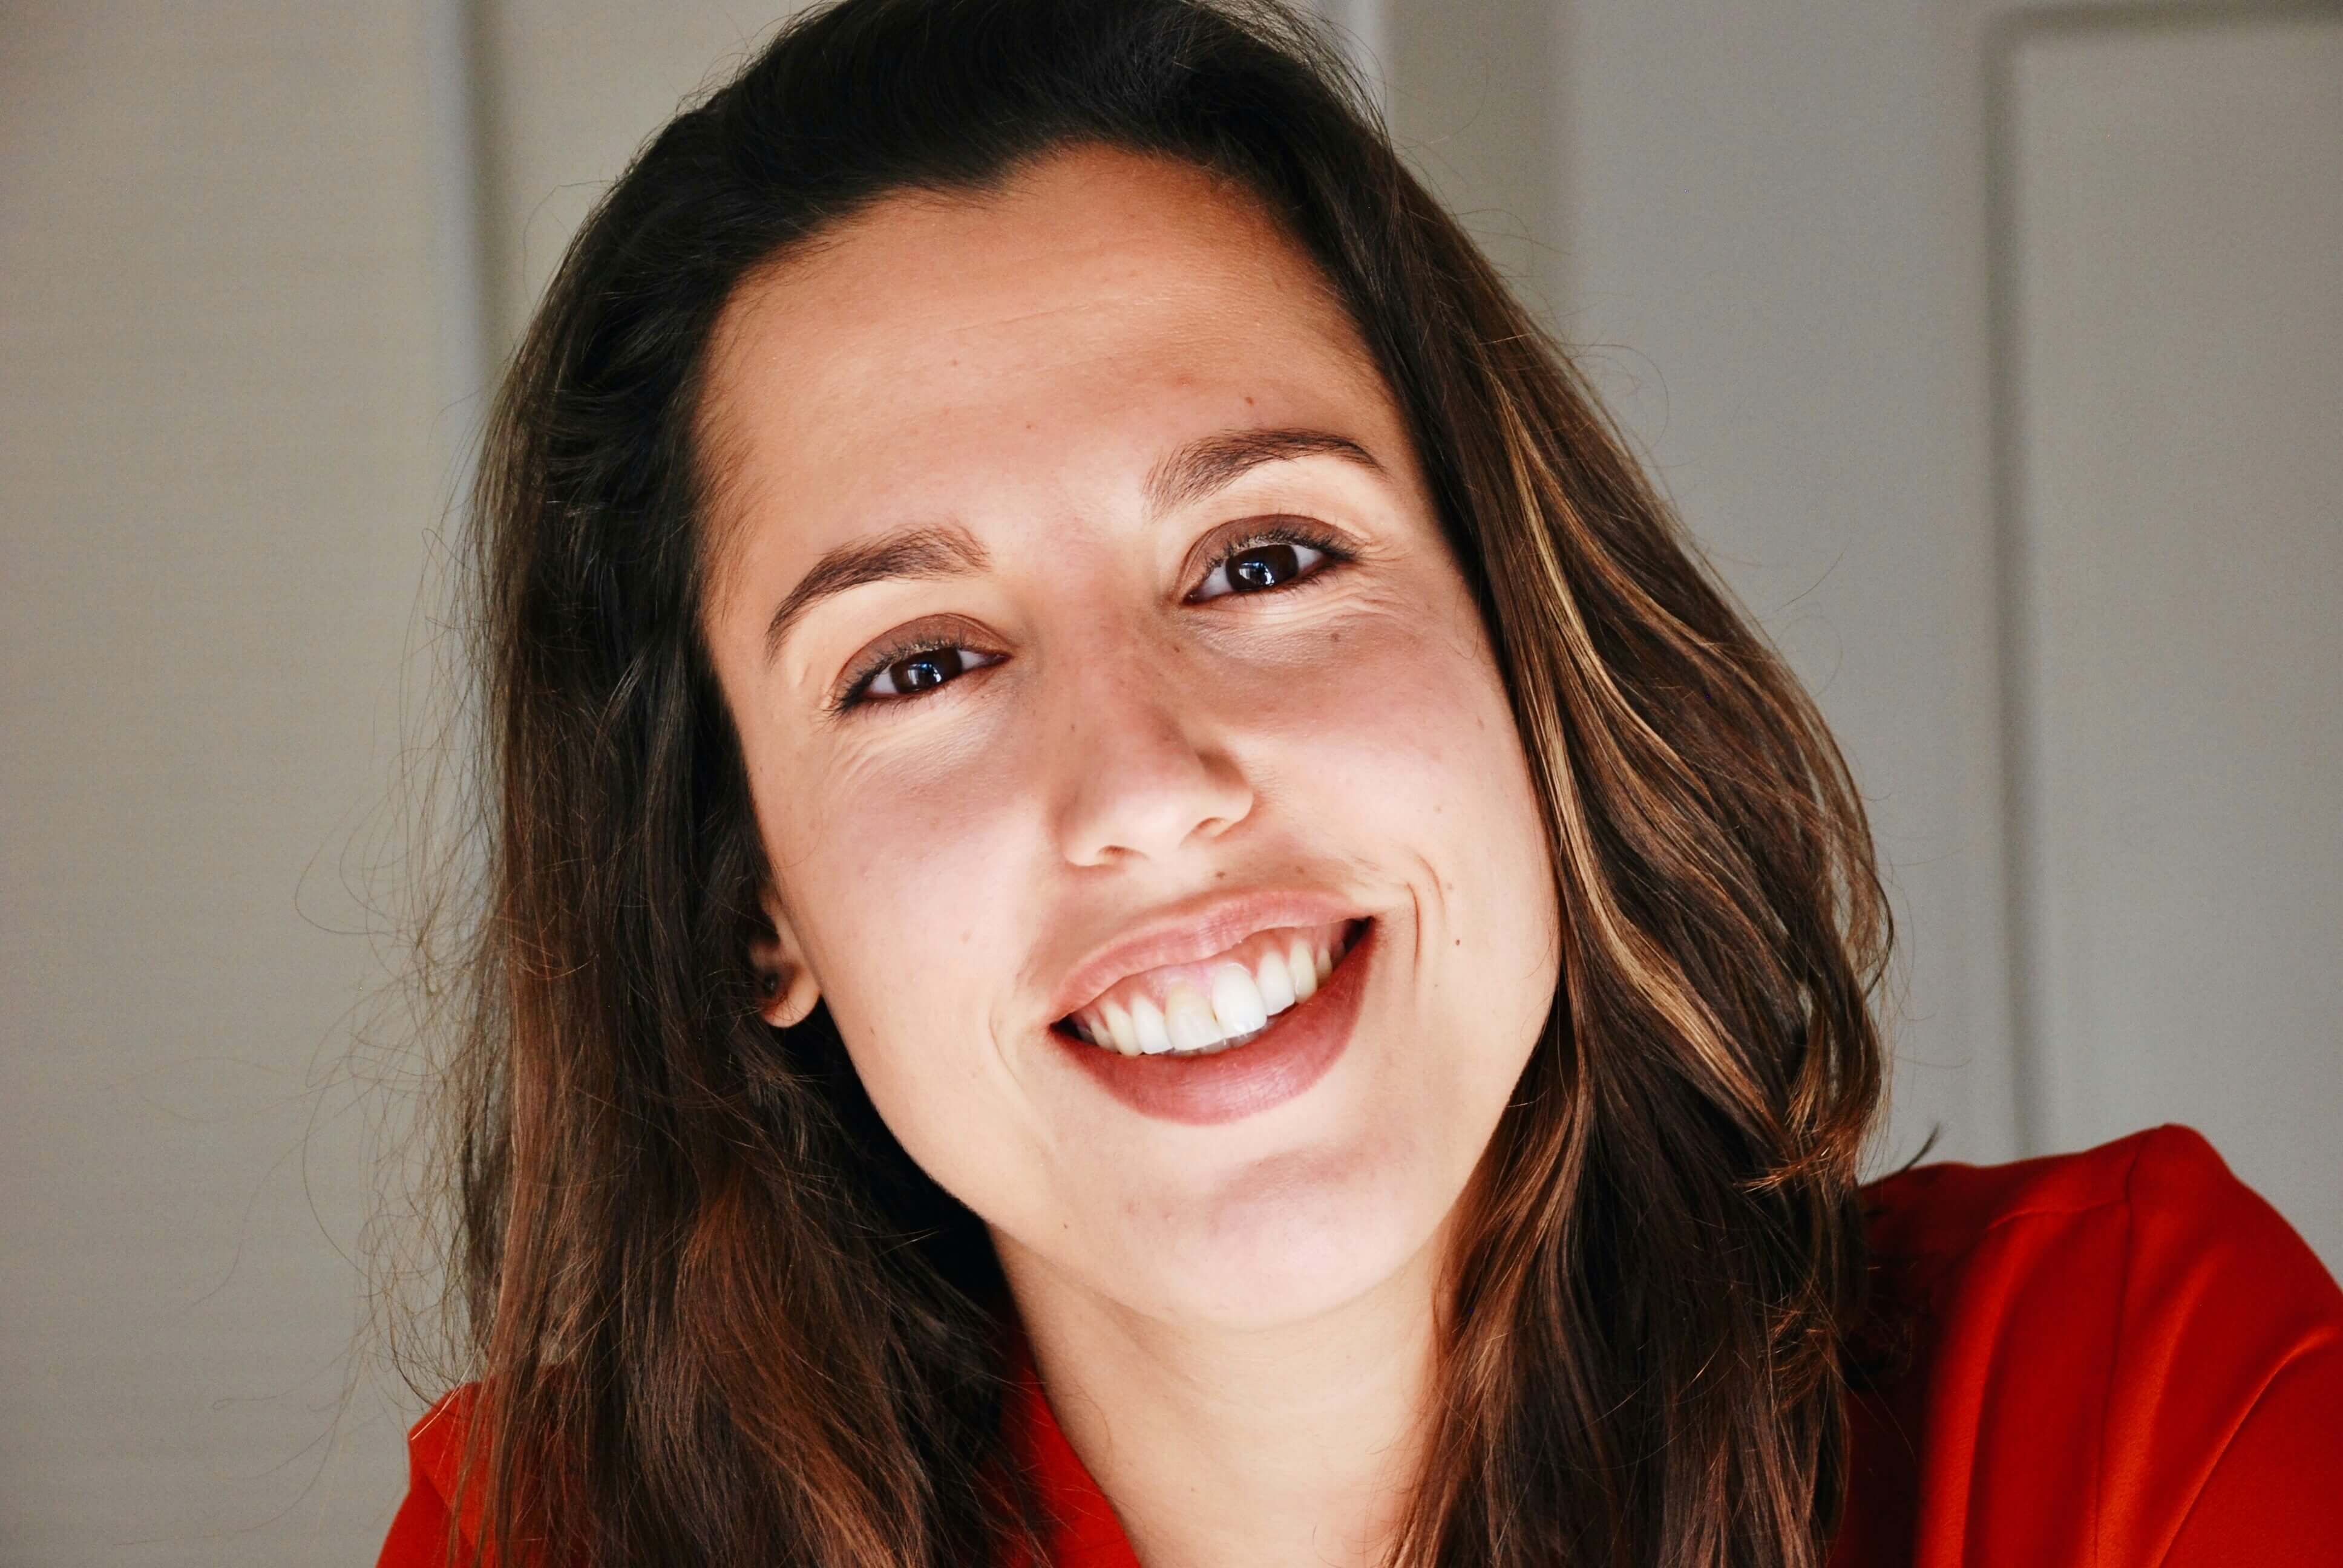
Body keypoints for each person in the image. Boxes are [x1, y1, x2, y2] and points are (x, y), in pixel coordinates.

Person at [372, 1, 2343, 1563]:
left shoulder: (2126, 1409)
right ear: (751, 904)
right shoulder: (552, 1538)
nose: (1144, 784)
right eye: (922, 664)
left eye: (1263, 560)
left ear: (1521, 640)